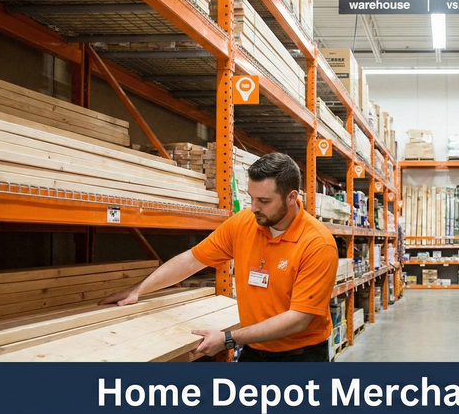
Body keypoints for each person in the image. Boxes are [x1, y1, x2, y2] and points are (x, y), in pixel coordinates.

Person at [99, 153, 339, 362]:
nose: (253, 207)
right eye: (251, 197)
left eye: (263, 201)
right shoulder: (243, 223)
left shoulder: (317, 243)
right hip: (254, 351)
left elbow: (298, 319)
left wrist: (228, 339)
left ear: (290, 197)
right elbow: (193, 259)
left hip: (301, 358)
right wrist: (139, 289)